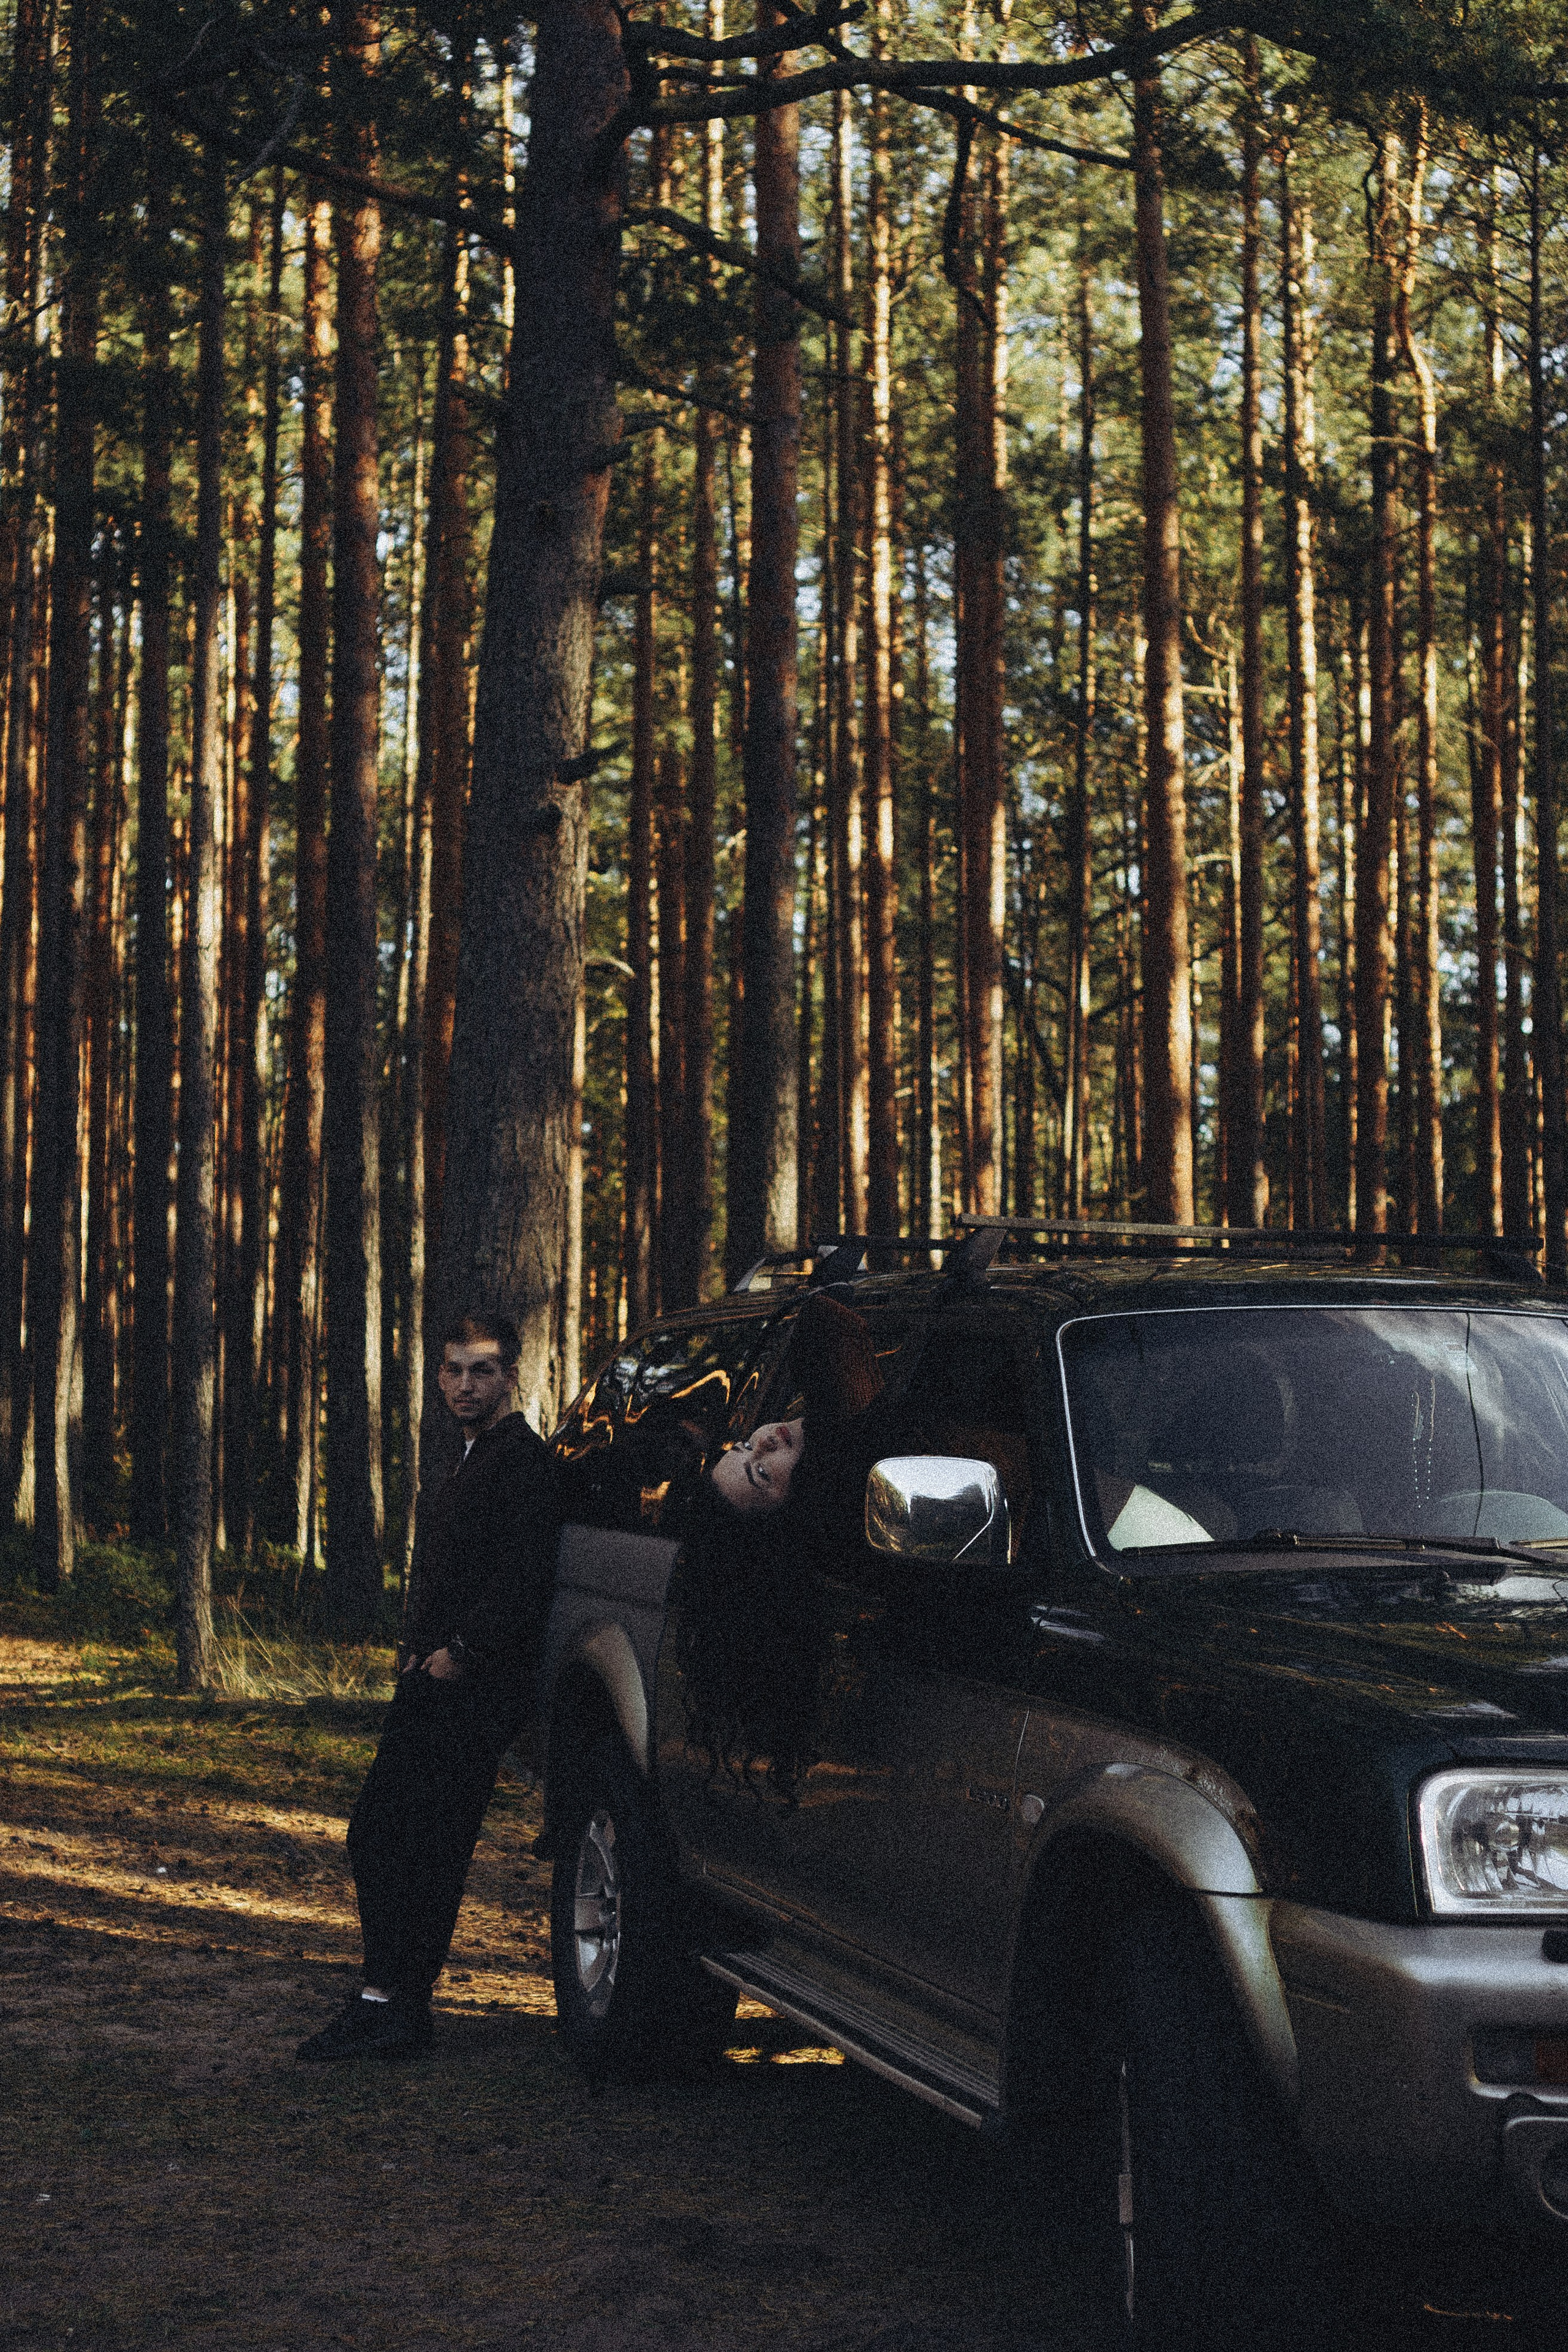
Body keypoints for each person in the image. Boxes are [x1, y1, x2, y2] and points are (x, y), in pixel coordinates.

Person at [296, 1310, 559, 2063]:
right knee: (390, 1836)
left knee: (412, 1840)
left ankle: (395, 2006)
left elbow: (525, 1577)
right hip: (435, 1677)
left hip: (471, 1687)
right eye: (453, 1370)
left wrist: (461, 1651)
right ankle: (392, 2002)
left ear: (511, 1376)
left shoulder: (522, 1462)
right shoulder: (472, 1456)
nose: (466, 1384)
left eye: (482, 1370)